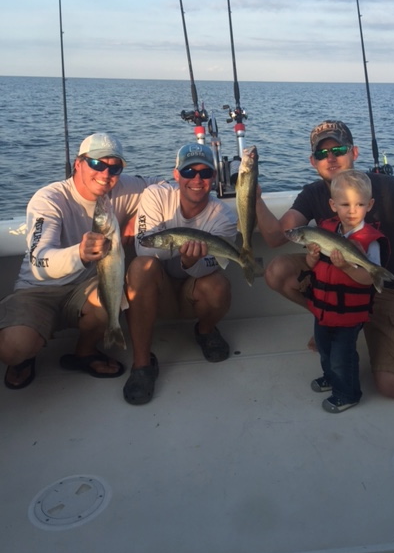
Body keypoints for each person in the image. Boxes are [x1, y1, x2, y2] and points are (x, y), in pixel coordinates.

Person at [255, 120, 394, 401]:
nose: (331, 158)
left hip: (386, 288)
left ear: (354, 152)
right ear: (313, 161)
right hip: (337, 286)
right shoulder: (313, 194)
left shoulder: (387, 187)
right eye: (322, 153)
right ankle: (329, 320)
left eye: (339, 150)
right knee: (277, 271)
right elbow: (276, 237)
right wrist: (254, 197)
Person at [0, 133, 160, 390]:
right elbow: (40, 262)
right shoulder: (49, 199)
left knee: (109, 302)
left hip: (87, 286)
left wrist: (139, 216)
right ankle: (25, 354)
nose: (106, 174)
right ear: (78, 164)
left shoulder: (123, 188)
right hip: (38, 290)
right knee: (14, 348)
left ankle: (84, 352)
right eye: (97, 163)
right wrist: (80, 253)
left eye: (115, 167)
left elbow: (163, 187)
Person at [123, 142, 238, 406]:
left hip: (192, 293)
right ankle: (142, 364)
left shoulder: (223, 216)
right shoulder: (155, 195)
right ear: (176, 174)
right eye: (189, 171)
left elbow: (214, 265)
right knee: (141, 267)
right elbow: (144, 248)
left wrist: (190, 261)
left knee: (218, 285)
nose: (197, 179)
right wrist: (178, 248)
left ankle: (205, 331)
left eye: (205, 173)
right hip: (158, 295)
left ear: (214, 177)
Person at [305, 169, 388, 413]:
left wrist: (346, 267)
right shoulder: (324, 231)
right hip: (323, 310)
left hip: (348, 315)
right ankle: (331, 378)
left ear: (369, 205)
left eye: (360, 204)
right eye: (345, 204)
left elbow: (368, 279)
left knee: (343, 356)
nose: (352, 210)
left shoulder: (370, 241)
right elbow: (312, 266)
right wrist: (312, 257)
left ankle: (348, 394)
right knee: (325, 349)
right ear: (333, 205)